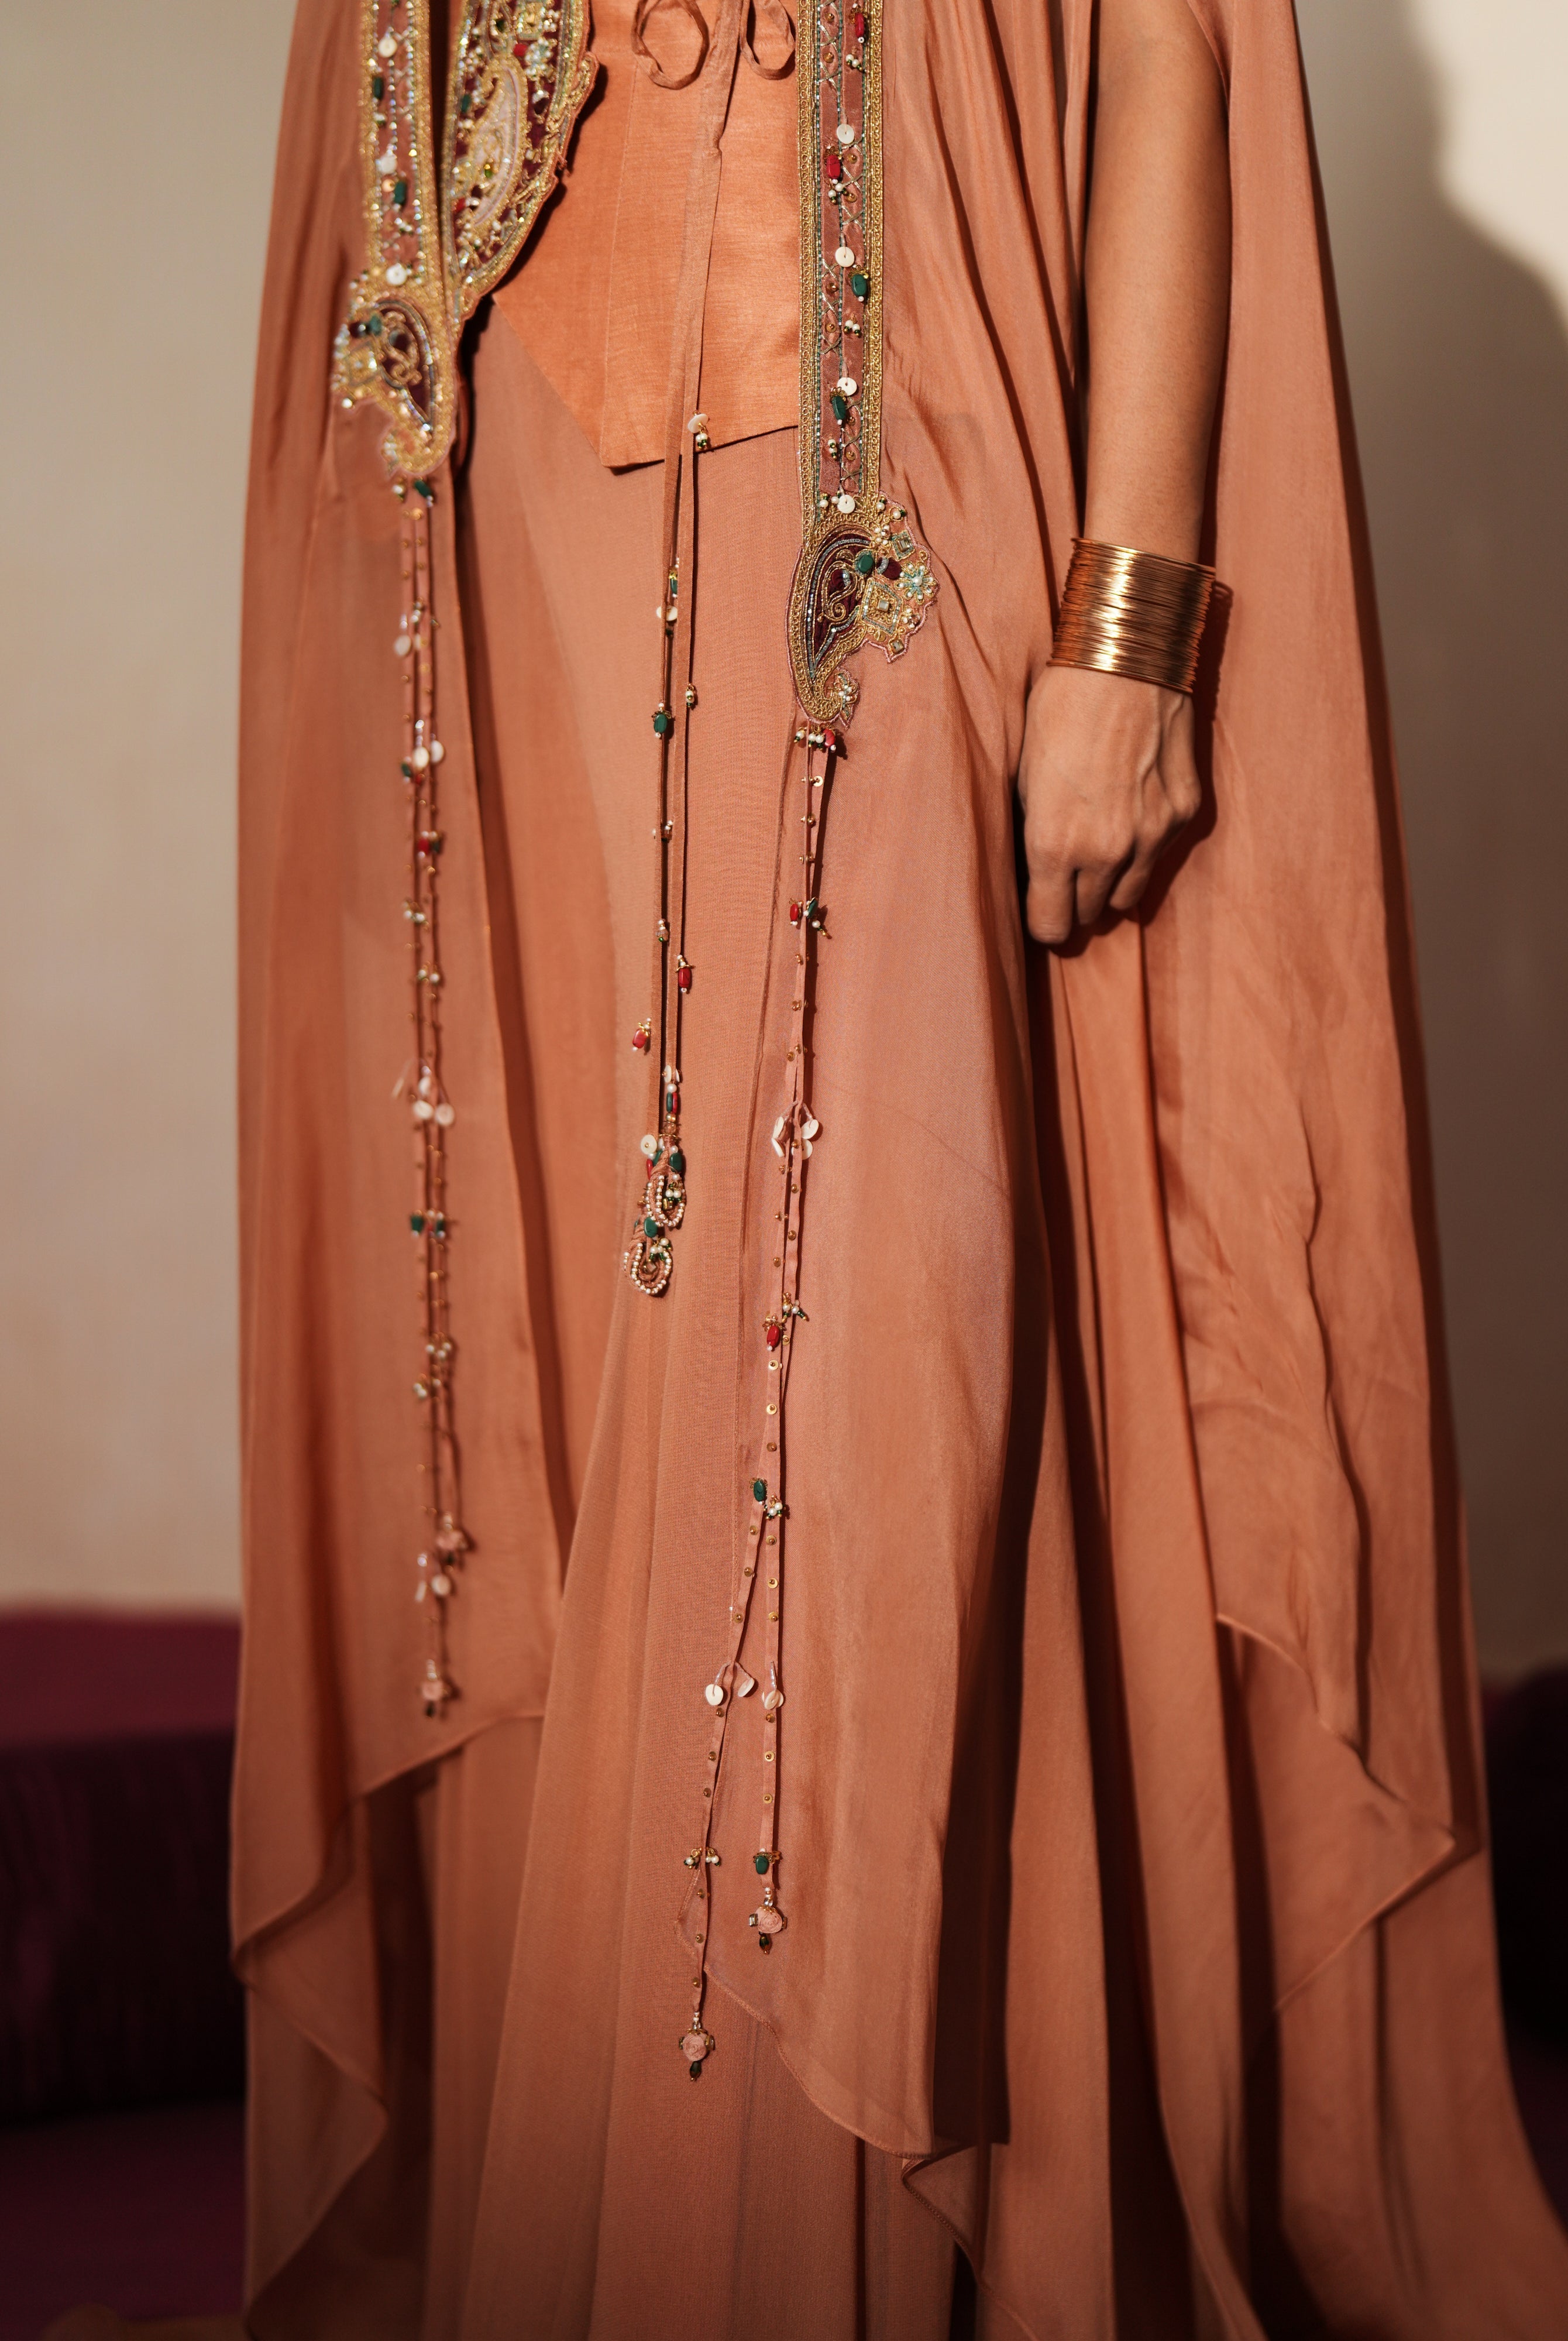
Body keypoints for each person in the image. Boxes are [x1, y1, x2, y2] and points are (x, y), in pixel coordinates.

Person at [233, 0, 1568, 2332]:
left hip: (894, 435)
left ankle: (834, 2231)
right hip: (511, 434)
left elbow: (1167, 50)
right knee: (617, 1320)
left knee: (864, 1326)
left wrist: (1135, 615)